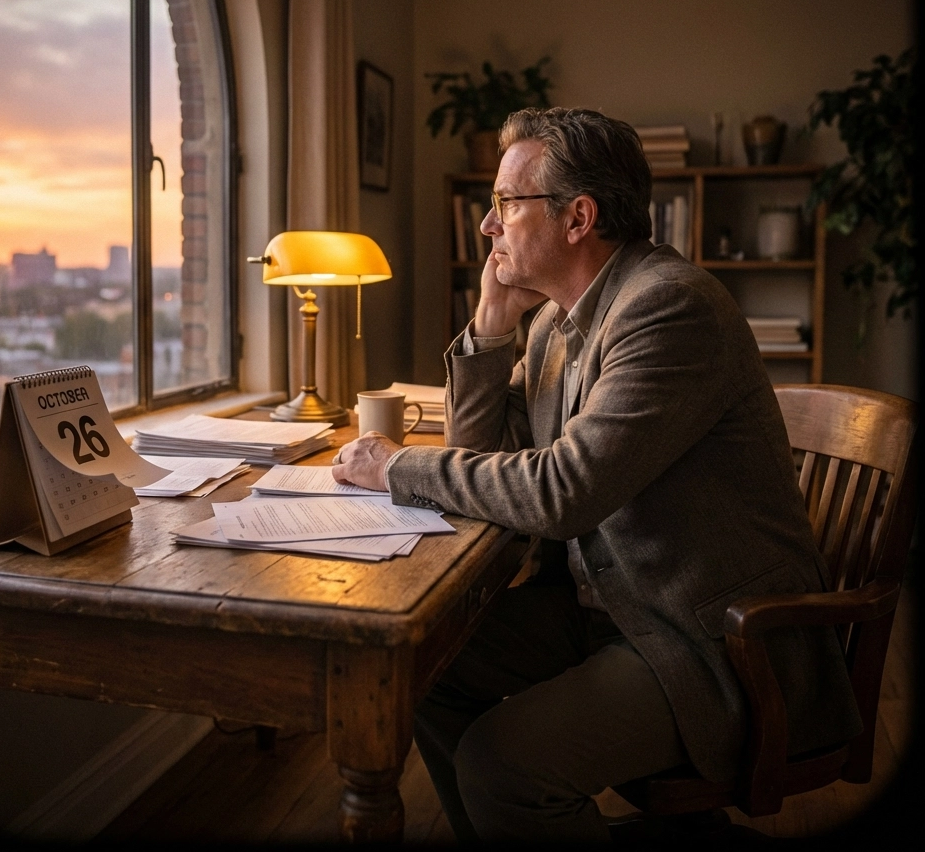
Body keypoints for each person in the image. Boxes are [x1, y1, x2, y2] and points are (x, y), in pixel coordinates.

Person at [331, 107, 862, 842]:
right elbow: (484, 450)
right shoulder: (556, 319)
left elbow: (559, 493)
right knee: (423, 666)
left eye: (506, 205)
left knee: (500, 767)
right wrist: (490, 324)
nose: (489, 227)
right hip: (610, 606)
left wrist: (396, 467)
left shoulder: (669, 308)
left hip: (709, 641)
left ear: (578, 217)